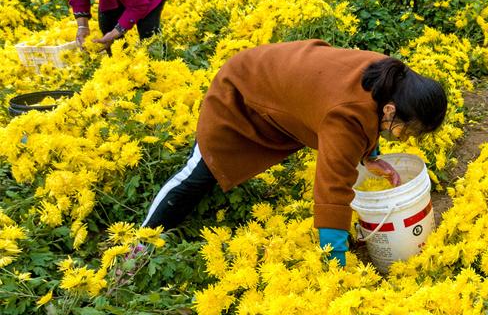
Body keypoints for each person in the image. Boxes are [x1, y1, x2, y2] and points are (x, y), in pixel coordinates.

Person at [141, 40, 447, 266]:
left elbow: (366, 118)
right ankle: (139, 243)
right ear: (391, 109)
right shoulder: (346, 118)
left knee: (214, 174)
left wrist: (370, 156)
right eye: (407, 130)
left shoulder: (390, 78)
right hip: (242, 87)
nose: (406, 138)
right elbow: (331, 193)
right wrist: (335, 264)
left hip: (280, 83)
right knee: (200, 172)